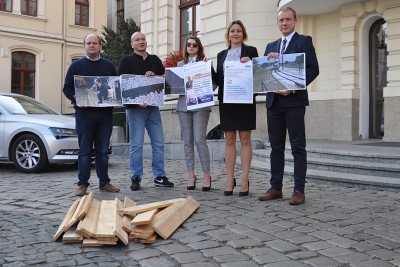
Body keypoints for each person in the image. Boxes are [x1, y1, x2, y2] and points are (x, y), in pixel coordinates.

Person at [258, 7, 319, 205]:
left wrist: (293, 89)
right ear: (278, 22)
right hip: (273, 102)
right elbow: (263, 74)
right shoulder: (271, 45)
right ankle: (276, 188)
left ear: (295, 20)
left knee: (297, 147)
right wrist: (267, 62)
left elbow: (313, 69)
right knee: (276, 148)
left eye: (288, 19)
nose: (284, 23)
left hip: (294, 102)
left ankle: (299, 191)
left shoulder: (304, 41)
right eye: (281, 20)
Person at [63, 34, 120, 196]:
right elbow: (67, 88)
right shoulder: (76, 66)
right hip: (84, 115)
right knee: (85, 151)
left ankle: (104, 183)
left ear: (100, 46)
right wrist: (75, 96)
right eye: (89, 43)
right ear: (85, 46)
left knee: (102, 151)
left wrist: (115, 99)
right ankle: (82, 184)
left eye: (95, 43)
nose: (92, 45)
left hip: (104, 116)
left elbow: (114, 89)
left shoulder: (108, 66)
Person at [118, 31, 174, 191]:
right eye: (137, 40)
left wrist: (156, 76)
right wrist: (137, 102)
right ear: (132, 44)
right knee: (136, 145)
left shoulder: (155, 60)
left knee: (158, 143)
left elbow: (164, 82)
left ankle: (159, 176)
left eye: (143, 39)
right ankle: (135, 177)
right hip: (135, 110)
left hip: (153, 108)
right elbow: (123, 86)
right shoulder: (126, 61)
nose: (141, 41)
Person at [214, 20, 258, 196]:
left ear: (243, 34)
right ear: (228, 34)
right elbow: (218, 79)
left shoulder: (251, 51)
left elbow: (259, 72)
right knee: (229, 139)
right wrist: (204, 69)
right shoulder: (221, 55)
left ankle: (245, 181)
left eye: (239, 31)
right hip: (227, 100)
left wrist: (251, 63)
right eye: (232, 31)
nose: (235, 33)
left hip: (245, 99)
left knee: (245, 139)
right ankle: (229, 180)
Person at [176, 36, 212, 191]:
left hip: (201, 105)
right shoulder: (179, 64)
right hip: (184, 105)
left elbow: (214, 83)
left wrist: (205, 85)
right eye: (188, 44)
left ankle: (206, 175)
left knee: (199, 139)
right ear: (185, 47)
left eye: (194, 45)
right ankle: (191, 175)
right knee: (187, 141)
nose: (191, 47)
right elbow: (175, 84)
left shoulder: (205, 63)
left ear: (199, 47)